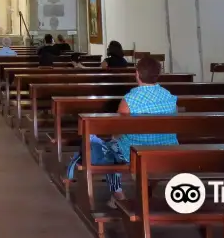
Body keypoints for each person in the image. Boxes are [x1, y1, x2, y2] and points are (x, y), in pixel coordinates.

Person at [67, 57, 178, 208]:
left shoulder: (130, 100)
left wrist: (113, 138)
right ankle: (146, 190)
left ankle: (118, 195)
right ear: (158, 75)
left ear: (137, 74)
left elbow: (117, 129)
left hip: (133, 152)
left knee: (112, 149)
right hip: (167, 150)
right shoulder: (170, 96)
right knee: (117, 145)